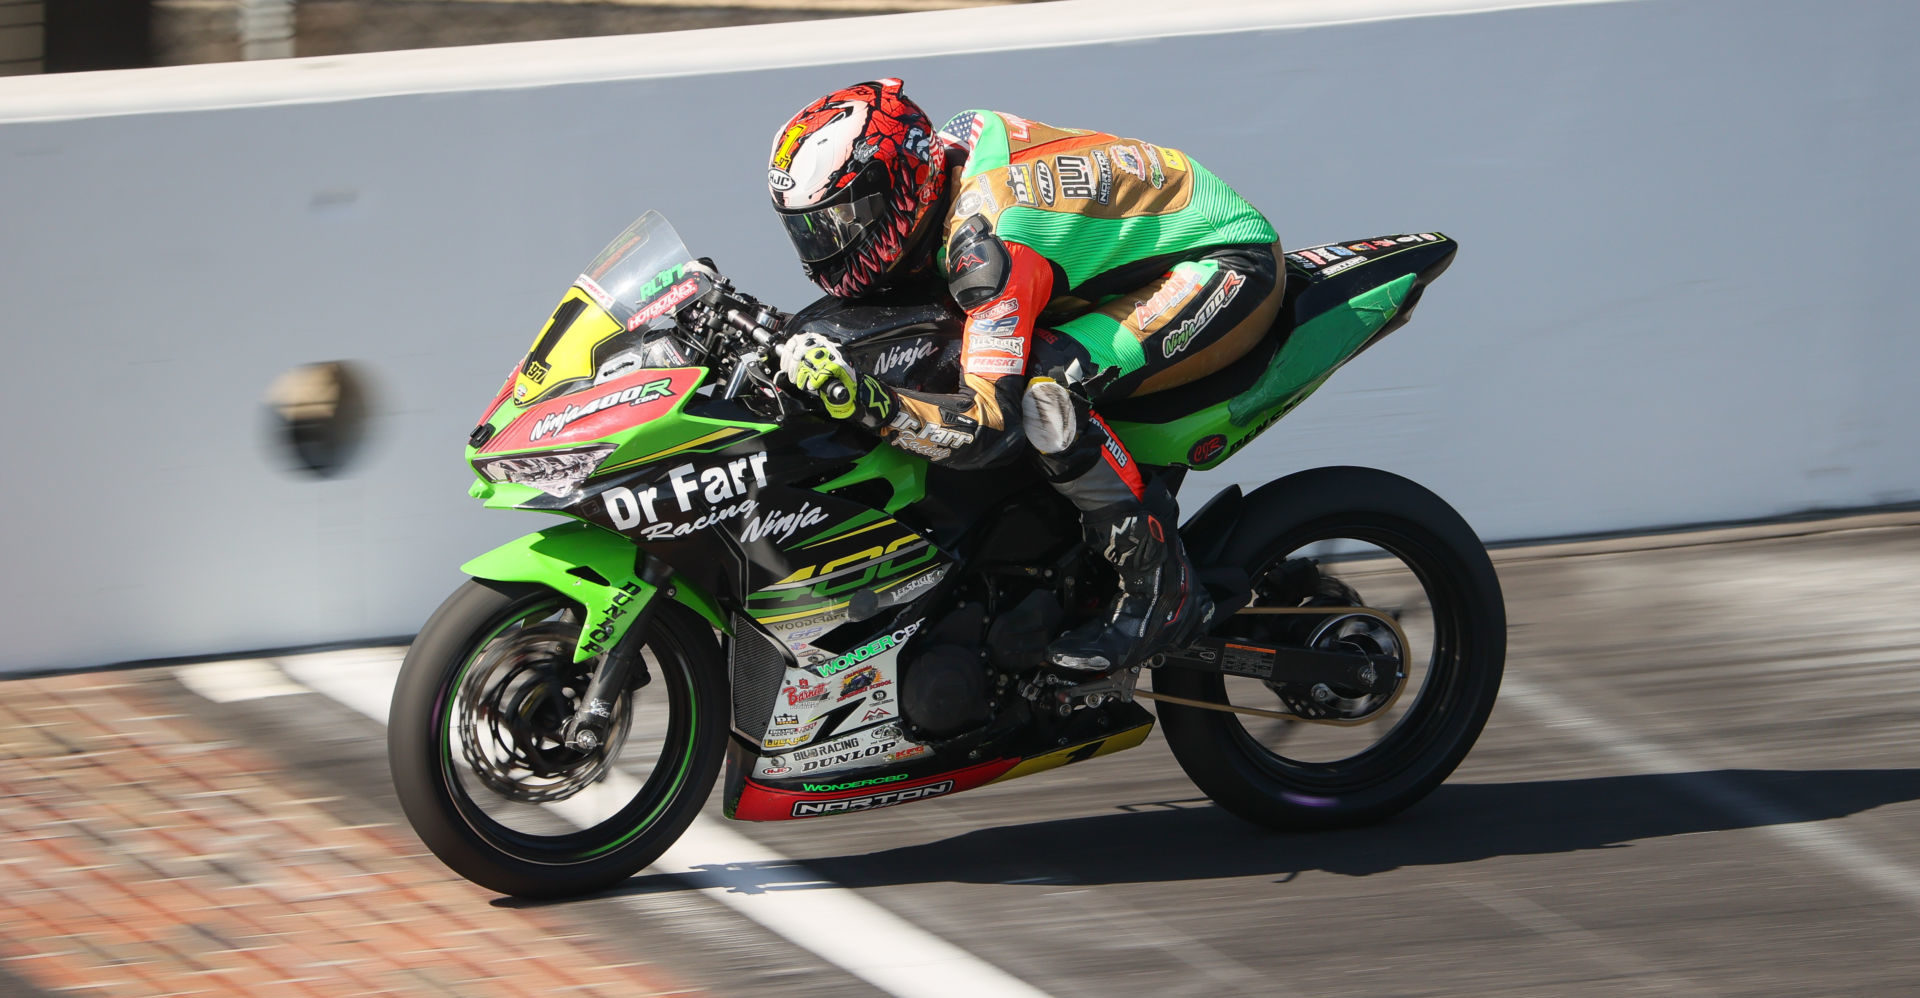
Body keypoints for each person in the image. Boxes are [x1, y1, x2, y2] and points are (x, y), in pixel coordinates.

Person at [768, 78, 1284, 674]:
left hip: (1221, 263)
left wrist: (870, 402)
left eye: (841, 222)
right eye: (809, 229)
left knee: (1045, 392)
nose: (825, 246)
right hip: (1130, 243)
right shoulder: (941, 156)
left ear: (901, 183)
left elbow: (988, 427)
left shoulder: (987, 248)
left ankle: (1158, 589)